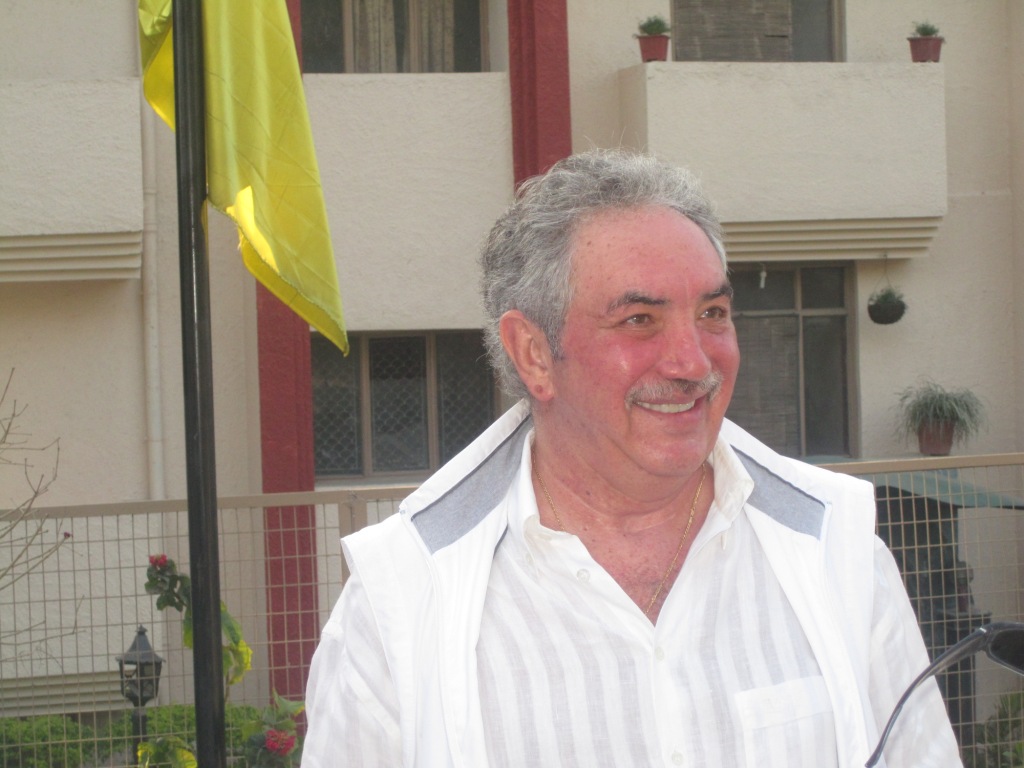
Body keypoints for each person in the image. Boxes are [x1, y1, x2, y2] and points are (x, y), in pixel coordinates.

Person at [302, 150, 961, 767]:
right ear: (534, 354)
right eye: (639, 320)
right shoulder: (403, 602)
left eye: (713, 312)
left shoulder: (836, 552)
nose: (693, 363)